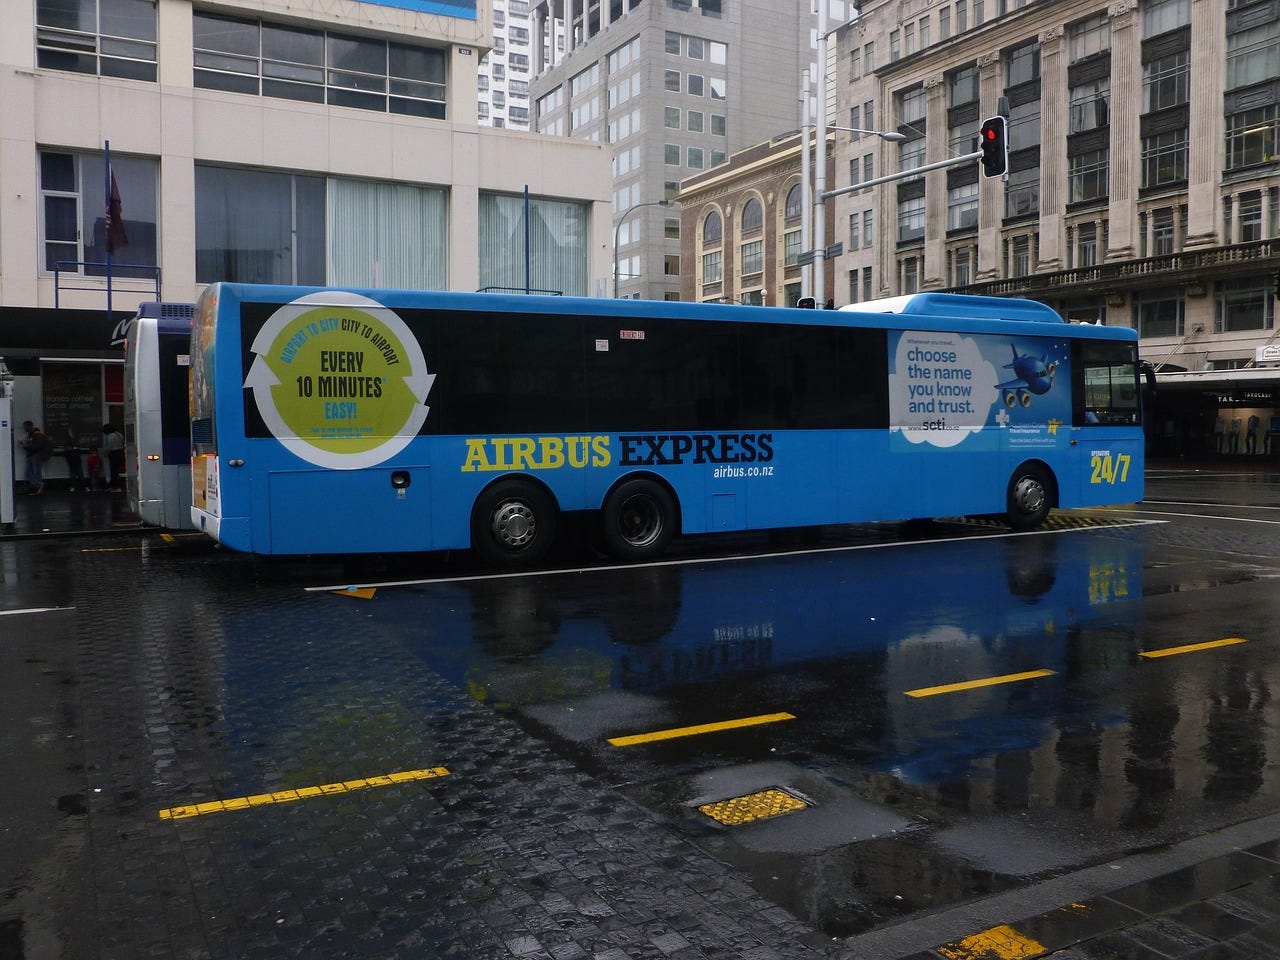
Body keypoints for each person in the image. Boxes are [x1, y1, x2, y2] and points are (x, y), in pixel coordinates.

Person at [20, 420, 52, 495]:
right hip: (33, 455)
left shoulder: (37, 435)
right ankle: (35, 486)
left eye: (25, 427)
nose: (24, 428)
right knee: (30, 472)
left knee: (34, 471)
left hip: (36, 455)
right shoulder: (33, 435)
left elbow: (36, 446)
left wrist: (25, 446)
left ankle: (37, 485)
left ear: (30, 426)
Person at [101, 423, 125, 492]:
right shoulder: (119, 434)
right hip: (120, 452)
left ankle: (115, 486)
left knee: (113, 471)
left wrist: (105, 453)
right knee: (116, 470)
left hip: (113, 454)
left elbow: (108, 447)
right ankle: (116, 486)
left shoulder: (109, 437)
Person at [64, 425, 86, 491]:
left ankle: (77, 487)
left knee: (77, 476)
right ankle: (82, 487)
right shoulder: (75, 448)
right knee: (78, 476)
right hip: (75, 464)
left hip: (74, 464)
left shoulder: (71, 449)